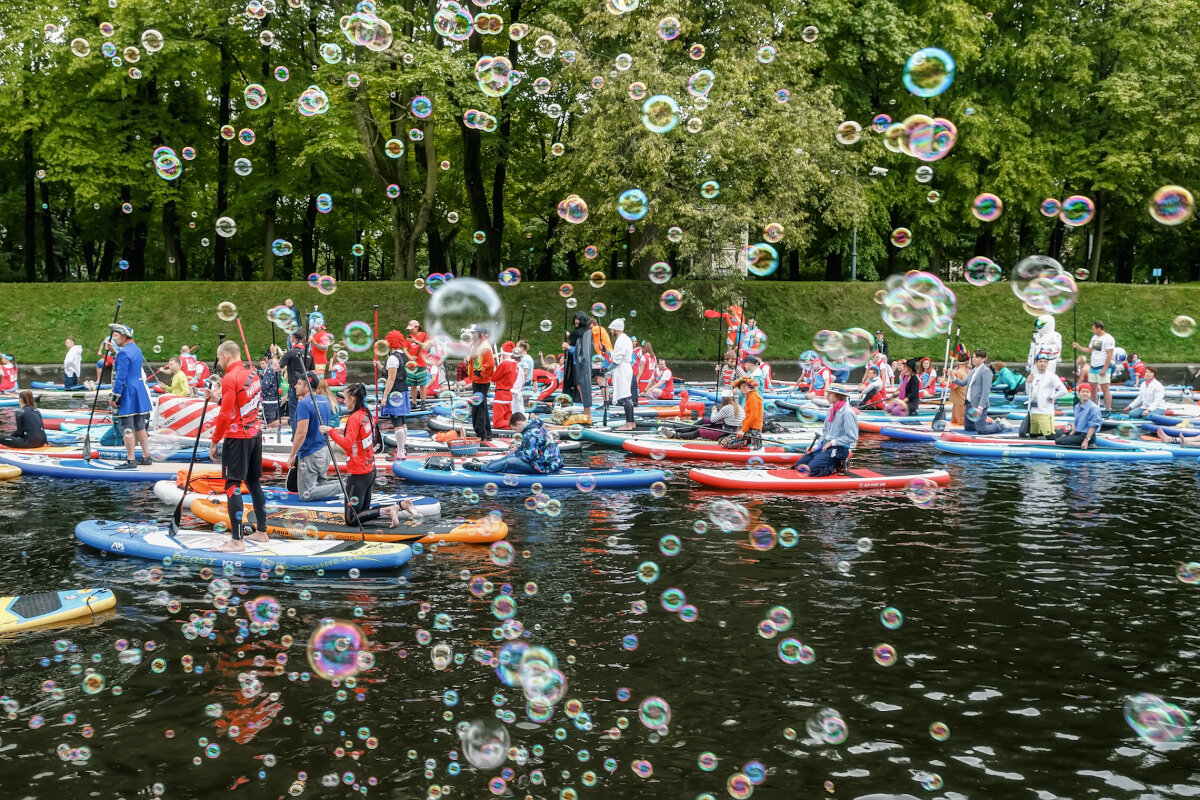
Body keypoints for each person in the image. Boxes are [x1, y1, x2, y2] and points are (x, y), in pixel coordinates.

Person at [320, 383, 415, 527]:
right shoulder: (366, 414)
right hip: (369, 471)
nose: (343, 401)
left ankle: (390, 509)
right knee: (363, 514)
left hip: (358, 474)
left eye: (345, 398)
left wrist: (330, 431)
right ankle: (402, 505)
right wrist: (341, 431)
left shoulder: (353, 418)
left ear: (352, 398)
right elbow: (359, 436)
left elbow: (346, 444)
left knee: (352, 520)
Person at [206, 341, 269, 553]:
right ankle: (262, 531)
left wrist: (215, 440)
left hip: (237, 437)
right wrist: (218, 398)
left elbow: (225, 415)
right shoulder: (253, 375)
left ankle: (237, 540)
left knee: (232, 484)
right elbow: (239, 404)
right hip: (254, 435)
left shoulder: (229, 378)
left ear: (225, 357)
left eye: (219, 359)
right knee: (253, 482)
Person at [284, 372, 339, 501]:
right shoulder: (324, 399)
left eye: (299, 384)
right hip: (324, 450)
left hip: (310, 453)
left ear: (307, 387)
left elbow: (301, 433)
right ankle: (343, 485)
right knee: (322, 483)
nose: (295, 386)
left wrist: (292, 456)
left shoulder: (304, 404)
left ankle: (344, 486)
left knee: (305, 494)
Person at [106, 324, 153, 468]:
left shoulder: (124, 353)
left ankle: (131, 460)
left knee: (127, 427)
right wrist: (114, 352)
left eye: (116, 336)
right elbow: (124, 363)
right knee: (140, 427)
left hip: (127, 393)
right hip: (138, 391)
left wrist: (114, 398)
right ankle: (146, 457)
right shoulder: (136, 349)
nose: (114, 339)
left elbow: (121, 376)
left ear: (124, 336)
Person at [466, 413, 563, 475]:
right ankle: (489, 463)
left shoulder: (530, 434)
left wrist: (518, 453)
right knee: (514, 453)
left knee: (511, 461)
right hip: (549, 462)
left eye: (515, 429)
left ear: (519, 424)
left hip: (545, 467)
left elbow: (530, 457)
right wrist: (518, 449)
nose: (517, 432)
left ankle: (482, 467)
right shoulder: (538, 425)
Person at [792, 387, 858, 476]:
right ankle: (826, 460)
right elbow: (825, 432)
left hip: (838, 450)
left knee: (810, 471)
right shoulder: (831, 409)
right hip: (825, 447)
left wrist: (832, 443)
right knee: (797, 466)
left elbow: (852, 437)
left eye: (831, 393)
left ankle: (837, 465)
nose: (827, 395)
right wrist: (815, 447)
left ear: (839, 396)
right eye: (828, 393)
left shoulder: (847, 412)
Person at [955, 349, 1006, 435]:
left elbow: (986, 391)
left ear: (984, 359)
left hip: (978, 405)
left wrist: (981, 407)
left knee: (982, 430)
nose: (973, 359)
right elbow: (963, 383)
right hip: (969, 404)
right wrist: (953, 377)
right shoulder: (973, 370)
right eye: (973, 357)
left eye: (976, 357)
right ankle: (989, 424)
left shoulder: (986, 371)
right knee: (969, 427)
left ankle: (1001, 425)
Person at [380, 330, 412, 459]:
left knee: (396, 422)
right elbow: (394, 373)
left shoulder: (392, 358)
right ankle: (402, 450)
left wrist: (385, 396)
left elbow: (391, 379)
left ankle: (400, 453)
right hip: (403, 390)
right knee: (403, 421)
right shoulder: (404, 355)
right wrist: (380, 367)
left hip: (394, 394)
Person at [1073, 320, 1115, 414]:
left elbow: (1109, 354)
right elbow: (1090, 350)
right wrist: (1079, 347)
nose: (1093, 331)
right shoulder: (1095, 338)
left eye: (1094, 329)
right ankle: (1093, 408)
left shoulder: (1108, 339)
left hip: (1102, 366)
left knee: (1105, 388)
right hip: (1093, 366)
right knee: (1092, 388)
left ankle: (1108, 410)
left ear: (1099, 328)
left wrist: (1104, 368)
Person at [1024, 352, 1067, 439]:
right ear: (1036, 363)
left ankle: (1066, 429)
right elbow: (1029, 393)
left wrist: (1052, 397)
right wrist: (1028, 383)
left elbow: (1064, 391)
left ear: (1047, 363)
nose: (1042, 364)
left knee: (1050, 436)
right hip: (1034, 411)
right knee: (1033, 435)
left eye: (1045, 362)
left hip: (1045, 412)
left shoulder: (1052, 376)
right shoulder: (1033, 376)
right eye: (1040, 361)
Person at [464, 325, 495, 440]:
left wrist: (481, 373)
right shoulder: (478, 344)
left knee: (479, 408)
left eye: (474, 333)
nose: (472, 335)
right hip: (478, 380)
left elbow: (490, 364)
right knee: (482, 407)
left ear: (479, 333)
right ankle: (487, 433)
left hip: (481, 380)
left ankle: (481, 434)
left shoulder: (484, 346)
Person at [278, 331, 313, 430]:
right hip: (307, 388)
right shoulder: (309, 353)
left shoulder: (290, 353)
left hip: (295, 387)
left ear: (293, 338)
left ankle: (296, 436)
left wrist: (273, 354)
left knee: (294, 414)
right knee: (306, 412)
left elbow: (277, 367)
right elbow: (313, 371)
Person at [563, 311, 594, 421]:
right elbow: (576, 347)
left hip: (583, 365)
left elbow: (583, 352)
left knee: (584, 386)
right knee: (580, 387)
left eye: (578, 319)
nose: (576, 321)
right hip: (577, 364)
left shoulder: (586, 332)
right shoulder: (579, 332)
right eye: (575, 319)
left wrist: (569, 348)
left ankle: (588, 414)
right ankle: (586, 413)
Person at [608, 318, 636, 431]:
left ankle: (629, 424)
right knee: (627, 396)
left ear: (616, 329)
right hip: (625, 368)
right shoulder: (625, 338)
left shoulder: (621, 340)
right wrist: (606, 351)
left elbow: (617, 360)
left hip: (623, 369)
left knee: (625, 396)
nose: (610, 331)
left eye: (611, 329)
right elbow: (616, 355)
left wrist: (607, 369)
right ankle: (632, 422)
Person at [720, 376, 763, 449]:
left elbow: (753, 416)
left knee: (724, 443)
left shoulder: (753, 397)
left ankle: (750, 441)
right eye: (742, 385)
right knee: (724, 442)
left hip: (753, 430)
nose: (743, 387)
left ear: (751, 386)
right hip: (749, 428)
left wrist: (743, 430)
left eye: (746, 385)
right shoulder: (750, 396)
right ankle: (747, 441)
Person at [1054, 383, 1102, 448]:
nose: (1085, 393)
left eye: (1087, 392)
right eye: (1083, 391)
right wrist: (1070, 435)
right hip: (1078, 433)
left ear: (1090, 394)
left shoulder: (1093, 407)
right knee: (1059, 440)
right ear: (1079, 393)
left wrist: (1086, 440)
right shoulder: (1077, 406)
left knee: (1061, 441)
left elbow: (1093, 426)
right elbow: (1076, 423)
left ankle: (1090, 444)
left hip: (1087, 436)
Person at [402, 319, 431, 408]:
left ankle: (423, 402)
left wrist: (416, 341)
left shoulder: (424, 336)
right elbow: (405, 349)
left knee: (422, 385)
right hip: (411, 365)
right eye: (410, 328)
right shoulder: (409, 337)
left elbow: (426, 347)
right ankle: (414, 402)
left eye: (412, 328)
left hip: (422, 364)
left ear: (417, 327)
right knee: (412, 385)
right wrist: (410, 357)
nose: (411, 330)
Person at [491, 343, 519, 430]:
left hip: (500, 394)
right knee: (507, 418)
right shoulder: (515, 364)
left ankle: (519, 423)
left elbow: (493, 378)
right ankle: (514, 424)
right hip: (508, 394)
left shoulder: (504, 364)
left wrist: (494, 369)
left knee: (497, 422)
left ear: (503, 352)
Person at [513, 340, 535, 415]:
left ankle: (524, 417)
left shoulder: (525, 359)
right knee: (525, 403)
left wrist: (521, 384)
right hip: (527, 382)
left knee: (523, 403)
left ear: (522, 348)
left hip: (525, 383)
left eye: (517, 346)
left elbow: (525, 373)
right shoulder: (528, 357)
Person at [949, 353, 970, 425]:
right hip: (965, 399)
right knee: (959, 421)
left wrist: (942, 381)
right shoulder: (969, 371)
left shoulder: (958, 372)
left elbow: (954, 386)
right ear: (967, 362)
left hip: (959, 401)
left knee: (960, 422)